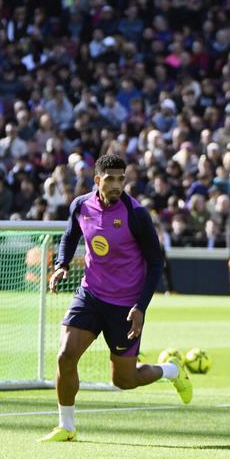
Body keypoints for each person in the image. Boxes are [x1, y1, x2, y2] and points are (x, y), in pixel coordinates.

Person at [41, 154, 190, 443]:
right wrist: (61, 264)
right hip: (91, 294)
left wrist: (140, 307)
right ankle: (66, 426)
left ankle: (171, 370)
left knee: (124, 380)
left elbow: (156, 262)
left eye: (121, 179)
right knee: (65, 355)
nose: (117, 185)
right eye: (110, 179)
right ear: (97, 180)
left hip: (125, 305)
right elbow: (70, 236)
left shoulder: (136, 214)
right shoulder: (81, 205)